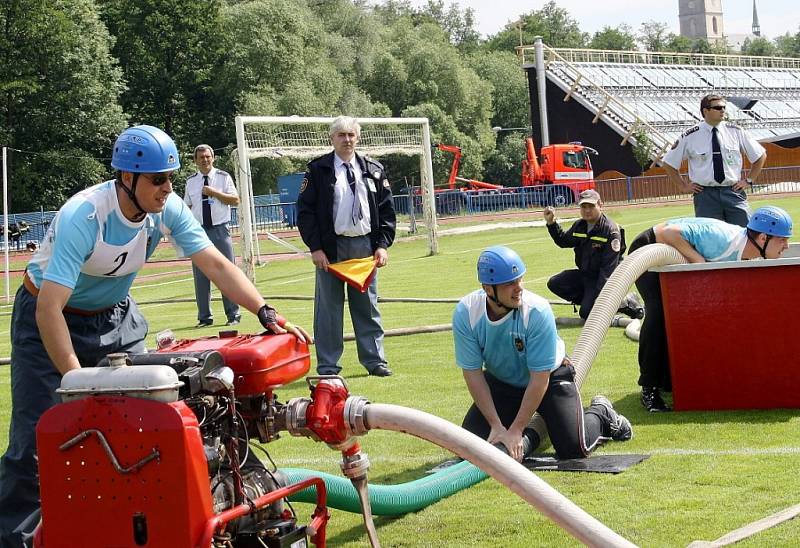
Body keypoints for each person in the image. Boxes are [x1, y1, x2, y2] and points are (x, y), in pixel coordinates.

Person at [0, 125, 311, 548]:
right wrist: (78, 384)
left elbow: (215, 264)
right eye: (157, 179)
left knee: (149, 418)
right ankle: (18, 539)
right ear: (126, 178)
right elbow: (48, 307)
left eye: (170, 177)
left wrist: (266, 310)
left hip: (116, 319)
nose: (167, 188)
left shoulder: (167, 208)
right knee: (37, 442)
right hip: (49, 323)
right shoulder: (85, 216)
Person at [452, 245, 633, 462]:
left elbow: (539, 378)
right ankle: (531, 423)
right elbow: (472, 373)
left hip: (550, 379)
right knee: (468, 448)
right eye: (510, 283)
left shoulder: (537, 311)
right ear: (488, 289)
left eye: (520, 279)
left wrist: (517, 429)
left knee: (573, 448)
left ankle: (602, 414)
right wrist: (496, 427)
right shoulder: (466, 313)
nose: (519, 287)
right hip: (503, 382)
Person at [629, 206, 792, 412]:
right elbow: (668, 233)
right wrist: (696, 260)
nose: (786, 246)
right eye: (782, 239)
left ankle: (668, 379)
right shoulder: (724, 239)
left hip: (670, 252)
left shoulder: (746, 249)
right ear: (762, 238)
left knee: (683, 317)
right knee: (659, 314)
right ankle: (649, 387)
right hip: (649, 248)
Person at [297, 116, 396, 378]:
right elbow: (305, 212)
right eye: (341, 135)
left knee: (368, 307)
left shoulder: (373, 169)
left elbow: (386, 210)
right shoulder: (318, 170)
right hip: (331, 249)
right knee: (328, 310)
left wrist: (383, 245)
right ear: (332, 139)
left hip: (365, 248)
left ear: (358, 137)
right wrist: (315, 248)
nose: (347, 139)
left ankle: (375, 361)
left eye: (351, 134)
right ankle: (328, 366)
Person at [662, 93, 767, 227]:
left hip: (733, 191)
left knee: (746, 234)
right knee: (711, 239)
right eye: (718, 108)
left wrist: (749, 180)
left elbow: (760, 155)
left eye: (724, 107)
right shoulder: (690, 136)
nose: (722, 110)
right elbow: (669, 163)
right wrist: (682, 186)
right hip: (705, 196)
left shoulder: (736, 131)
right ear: (705, 111)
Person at [543, 189, 642, 320]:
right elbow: (563, 241)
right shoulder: (580, 225)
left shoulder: (610, 231)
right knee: (555, 283)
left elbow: (608, 270)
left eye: (591, 206)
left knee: (586, 313)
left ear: (600, 205)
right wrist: (551, 223)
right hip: (587, 275)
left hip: (606, 279)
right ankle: (592, 302)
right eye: (584, 207)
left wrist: (600, 300)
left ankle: (624, 302)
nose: (587, 210)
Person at [183, 144, 241, 327]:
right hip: (199, 232)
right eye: (201, 158)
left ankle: (233, 315)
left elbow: (235, 200)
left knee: (227, 272)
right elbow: (187, 207)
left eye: (208, 157)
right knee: (200, 275)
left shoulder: (223, 177)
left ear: (213, 157)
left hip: (219, 230)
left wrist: (213, 192)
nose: (205, 160)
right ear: (195, 161)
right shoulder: (191, 181)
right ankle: (204, 318)